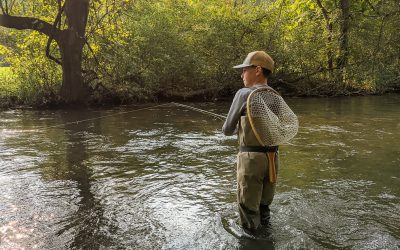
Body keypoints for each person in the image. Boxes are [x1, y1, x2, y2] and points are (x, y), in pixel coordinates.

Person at [222, 51, 279, 231]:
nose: (241, 74)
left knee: (248, 211)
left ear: (258, 70)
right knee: (264, 209)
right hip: (272, 159)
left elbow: (227, 130)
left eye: (245, 70)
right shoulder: (275, 95)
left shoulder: (243, 93)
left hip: (251, 160)